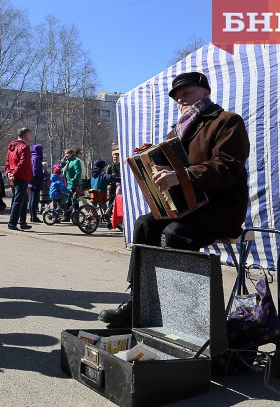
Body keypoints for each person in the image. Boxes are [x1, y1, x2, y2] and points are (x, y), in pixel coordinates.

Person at [98, 72, 250, 327]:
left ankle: (181, 310)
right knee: (144, 225)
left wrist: (183, 175)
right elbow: (167, 168)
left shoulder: (227, 121)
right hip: (188, 208)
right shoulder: (176, 132)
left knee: (175, 233)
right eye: (178, 99)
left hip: (221, 208)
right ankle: (139, 301)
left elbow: (225, 166)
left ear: (205, 92)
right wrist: (150, 165)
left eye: (187, 94)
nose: (182, 101)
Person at [5, 128, 33, 231]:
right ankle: (12, 223)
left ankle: (22, 222)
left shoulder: (12, 146)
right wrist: (14, 174)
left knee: (23, 199)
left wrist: (9, 173)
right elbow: (23, 163)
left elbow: (7, 161)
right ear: (26, 135)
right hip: (21, 176)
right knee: (18, 200)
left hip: (14, 176)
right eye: (29, 135)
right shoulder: (24, 147)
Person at [60, 149, 82, 221]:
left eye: (68, 153)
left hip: (74, 184)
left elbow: (78, 172)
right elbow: (61, 170)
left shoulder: (76, 161)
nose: (66, 155)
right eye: (65, 153)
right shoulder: (66, 162)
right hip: (67, 184)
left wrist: (74, 181)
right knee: (67, 200)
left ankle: (76, 218)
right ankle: (67, 217)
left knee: (75, 200)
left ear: (72, 153)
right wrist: (62, 163)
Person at [28, 144, 44, 223]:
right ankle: (34, 216)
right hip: (36, 180)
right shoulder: (37, 158)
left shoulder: (32, 157)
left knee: (31, 198)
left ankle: (32, 215)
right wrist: (39, 176)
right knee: (34, 199)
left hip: (31, 180)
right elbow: (36, 170)